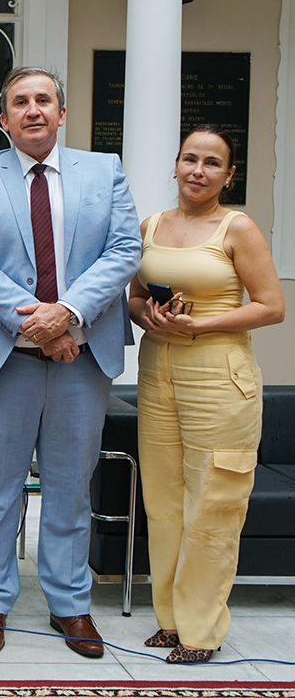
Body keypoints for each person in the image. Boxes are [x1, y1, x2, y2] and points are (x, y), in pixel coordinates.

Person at [0, 67, 141, 658]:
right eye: (20, 103)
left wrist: (70, 314)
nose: (33, 110)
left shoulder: (103, 171)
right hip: (5, 357)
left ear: (61, 113)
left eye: (44, 100)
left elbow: (125, 250)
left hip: (82, 355)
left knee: (69, 487)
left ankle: (70, 604)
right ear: (4, 119)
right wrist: (37, 322)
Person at [128, 126, 284, 663]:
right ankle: (170, 620)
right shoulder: (151, 225)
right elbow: (135, 293)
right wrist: (146, 314)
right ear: (175, 165)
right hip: (158, 374)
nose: (198, 170)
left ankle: (201, 630)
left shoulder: (237, 228)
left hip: (219, 378)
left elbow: (271, 305)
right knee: (165, 502)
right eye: (190, 159)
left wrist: (202, 327)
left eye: (212, 163)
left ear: (228, 174)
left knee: (213, 502)